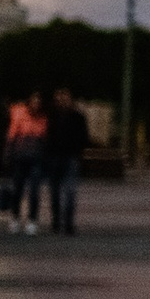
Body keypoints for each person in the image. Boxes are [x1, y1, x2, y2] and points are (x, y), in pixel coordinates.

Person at [42, 87, 91, 235]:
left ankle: (68, 223)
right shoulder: (52, 116)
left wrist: (76, 150)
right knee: (55, 193)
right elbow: (46, 135)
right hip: (54, 157)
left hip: (70, 157)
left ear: (70, 99)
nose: (61, 101)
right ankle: (57, 221)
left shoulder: (77, 117)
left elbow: (84, 137)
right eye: (59, 98)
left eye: (64, 98)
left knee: (70, 192)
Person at [2, 91, 48, 236]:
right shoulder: (20, 113)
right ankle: (15, 219)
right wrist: (8, 153)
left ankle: (32, 221)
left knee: (34, 192)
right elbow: (12, 134)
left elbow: (44, 138)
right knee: (18, 190)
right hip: (20, 158)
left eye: (39, 101)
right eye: (34, 100)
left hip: (35, 159)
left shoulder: (43, 118)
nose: (36, 104)